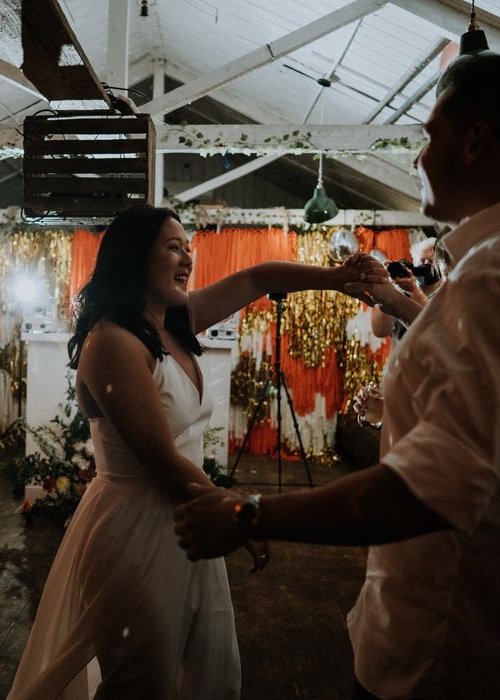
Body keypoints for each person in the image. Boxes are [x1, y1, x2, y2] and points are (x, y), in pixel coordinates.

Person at [174, 51, 500, 700]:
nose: (415, 157)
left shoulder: (488, 276)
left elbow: (429, 491)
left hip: (437, 645)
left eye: (429, 135)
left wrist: (249, 513)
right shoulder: (477, 270)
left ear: (475, 140)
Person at [8, 204, 380, 699]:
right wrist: (242, 515)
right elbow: (161, 461)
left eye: (190, 248)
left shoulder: (172, 322)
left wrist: (336, 278)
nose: (187, 258)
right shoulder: (113, 342)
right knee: (143, 680)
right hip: (136, 527)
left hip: (187, 517)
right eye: (173, 247)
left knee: (208, 671)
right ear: (135, 256)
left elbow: (256, 277)